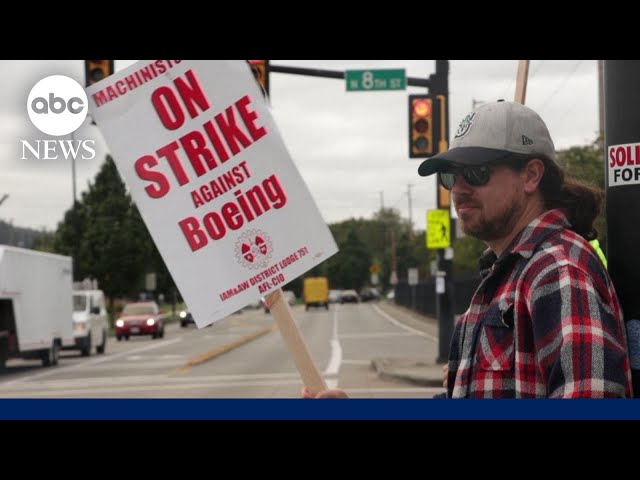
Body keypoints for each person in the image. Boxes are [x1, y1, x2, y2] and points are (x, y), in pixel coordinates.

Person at [304, 99, 633, 399]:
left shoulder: (556, 271)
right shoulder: (505, 274)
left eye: (477, 172)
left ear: (531, 175)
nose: (458, 189)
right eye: (450, 176)